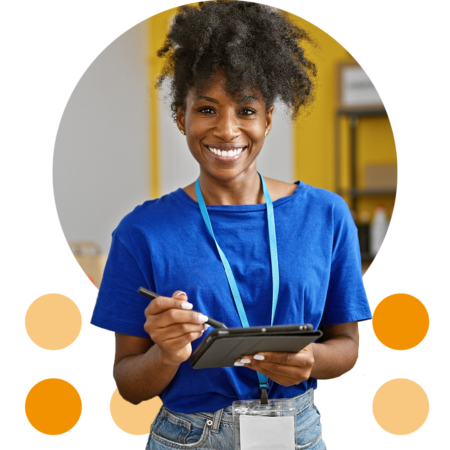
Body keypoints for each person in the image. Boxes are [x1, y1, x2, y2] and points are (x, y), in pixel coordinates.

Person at [89, 1, 372, 449]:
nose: (226, 129)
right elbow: (128, 382)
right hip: (187, 436)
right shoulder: (141, 231)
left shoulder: (326, 215)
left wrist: (311, 360)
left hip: (295, 433)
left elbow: (347, 347)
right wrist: (166, 355)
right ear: (181, 117)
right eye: (206, 109)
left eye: (245, 109)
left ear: (268, 119)